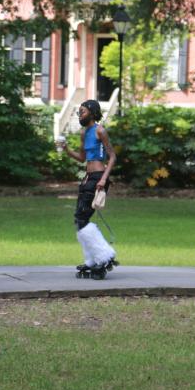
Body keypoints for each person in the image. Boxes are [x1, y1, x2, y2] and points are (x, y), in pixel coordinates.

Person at [58, 99, 119, 279]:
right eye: (79, 112)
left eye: (82, 111)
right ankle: (93, 260)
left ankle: (104, 257)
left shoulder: (100, 130)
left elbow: (113, 156)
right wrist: (66, 149)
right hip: (87, 178)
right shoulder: (84, 133)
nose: (80, 115)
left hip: (98, 178)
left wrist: (103, 179)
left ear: (92, 112)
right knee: (80, 219)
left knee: (82, 218)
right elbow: (82, 158)